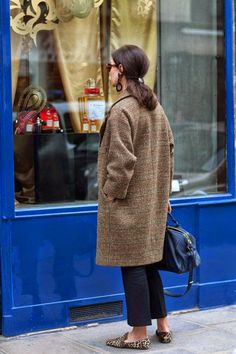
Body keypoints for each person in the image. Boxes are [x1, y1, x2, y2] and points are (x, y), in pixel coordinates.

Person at [96, 44, 174, 350]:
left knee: (133, 265)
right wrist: (164, 193)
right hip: (152, 200)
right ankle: (163, 326)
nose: (110, 71)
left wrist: (110, 193)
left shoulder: (121, 110)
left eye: (111, 67)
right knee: (149, 261)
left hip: (128, 203)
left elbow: (122, 162)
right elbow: (169, 149)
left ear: (122, 71)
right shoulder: (155, 105)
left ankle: (139, 334)